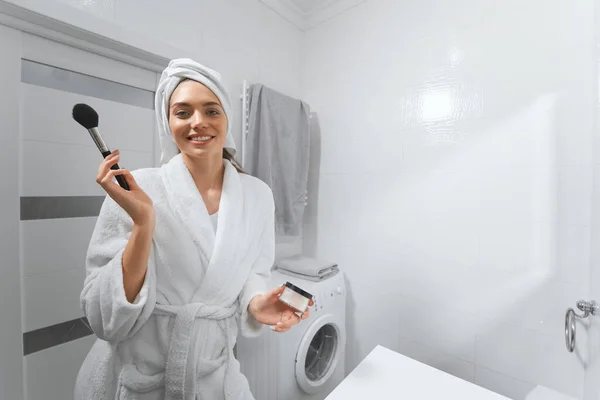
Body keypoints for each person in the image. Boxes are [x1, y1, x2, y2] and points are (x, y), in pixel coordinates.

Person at [74, 58, 312, 400]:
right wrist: (143, 223)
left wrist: (256, 304)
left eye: (211, 110)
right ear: (167, 122)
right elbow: (104, 318)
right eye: (182, 112)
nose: (198, 122)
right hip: (136, 382)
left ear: (226, 119)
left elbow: (253, 273)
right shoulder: (136, 188)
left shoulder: (258, 195)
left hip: (213, 378)